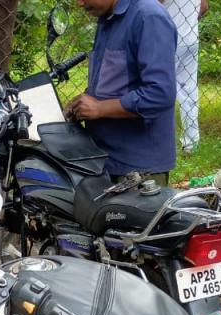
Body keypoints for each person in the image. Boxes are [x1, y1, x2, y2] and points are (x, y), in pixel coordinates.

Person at [66, 0, 178, 184]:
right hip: (105, 160)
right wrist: (83, 103)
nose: (79, 3)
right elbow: (114, 82)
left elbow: (160, 94)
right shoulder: (107, 17)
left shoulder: (148, 17)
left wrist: (100, 108)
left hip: (137, 168)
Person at [163, 0, 208, 154]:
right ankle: (191, 143)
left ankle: (160, 139)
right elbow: (203, 7)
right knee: (189, 90)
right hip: (190, 37)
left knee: (159, 87)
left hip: (167, 38)